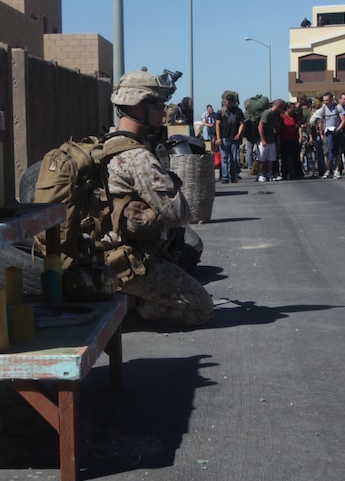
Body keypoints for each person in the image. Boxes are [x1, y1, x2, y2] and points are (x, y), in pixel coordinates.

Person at [101, 70, 215, 326]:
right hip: (130, 259)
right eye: (158, 105)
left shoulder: (105, 143)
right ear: (137, 107)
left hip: (107, 251)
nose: (164, 112)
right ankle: (129, 305)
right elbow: (179, 214)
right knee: (202, 309)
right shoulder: (137, 157)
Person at [315, 92, 345, 178]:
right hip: (327, 133)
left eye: (327, 100)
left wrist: (338, 129)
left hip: (337, 132)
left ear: (331, 99)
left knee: (338, 152)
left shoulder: (338, 108)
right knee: (326, 152)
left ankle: (336, 170)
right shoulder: (323, 109)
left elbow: (343, 120)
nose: (326, 102)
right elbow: (320, 122)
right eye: (324, 100)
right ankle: (328, 169)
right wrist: (321, 133)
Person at [216, 94, 244, 184]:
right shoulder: (221, 112)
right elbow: (217, 124)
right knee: (224, 158)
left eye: (229, 102)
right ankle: (225, 177)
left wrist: (239, 134)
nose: (227, 104)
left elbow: (242, 123)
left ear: (233, 102)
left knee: (234, 159)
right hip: (224, 138)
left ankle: (233, 176)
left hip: (234, 138)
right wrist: (218, 137)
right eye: (226, 102)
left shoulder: (238, 111)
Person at [278, 99, 303, 180]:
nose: (293, 110)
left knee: (295, 157)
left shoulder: (295, 116)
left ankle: (297, 173)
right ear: (287, 108)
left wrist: (300, 137)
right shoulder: (282, 116)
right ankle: (285, 174)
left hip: (293, 139)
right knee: (285, 158)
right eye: (291, 108)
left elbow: (299, 127)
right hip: (284, 140)